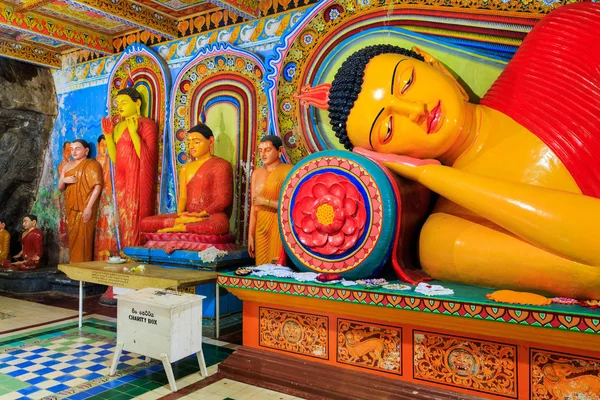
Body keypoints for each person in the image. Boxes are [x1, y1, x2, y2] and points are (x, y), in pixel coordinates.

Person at [300, 2, 600, 300]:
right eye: (388, 130)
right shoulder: (443, 238)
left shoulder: (563, 37)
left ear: (434, 64)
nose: (415, 110)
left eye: (407, 82)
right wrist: (432, 175)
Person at [140, 123, 233, 236]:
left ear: (211, 141)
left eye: (196, 142)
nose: (191, 146)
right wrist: (180, 215)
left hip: (211, 216)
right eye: (189, 142)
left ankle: (181, 228)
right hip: (188, 216)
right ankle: (182, 224)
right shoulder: (186, 168)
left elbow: (223, 200)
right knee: (145, 223)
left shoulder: (221, 165)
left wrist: (202, 214)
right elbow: (183, 197)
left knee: (218, 226)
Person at [101, 87, 159, 247]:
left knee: (135, 213)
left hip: (137, 176)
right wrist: (108, 136)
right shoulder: (118, 127)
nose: (120, 106)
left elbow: (147, 156)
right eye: (118, 103)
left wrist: (134, 133)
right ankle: (126, 249)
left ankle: (136, 250)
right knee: (124, 215)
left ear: (137, 103)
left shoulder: (147, 124)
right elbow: (116, 159)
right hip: (122, 176)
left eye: (124, 102)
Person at [248, 135, 292, 265]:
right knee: (261, 266)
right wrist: (250, 234)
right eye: (260, 150)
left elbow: (290, 205)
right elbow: (254, 206)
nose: (263, 154)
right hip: (261, 225)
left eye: (268, 149)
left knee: (276, 266)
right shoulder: (256, 173)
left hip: (278, 225)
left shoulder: (288, 171)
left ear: (280, 151)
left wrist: (266, 202)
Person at [58, 139, 103, 263]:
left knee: (83, 238)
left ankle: (82, 268)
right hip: (71, 206)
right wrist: (64, 180)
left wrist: (89, 207)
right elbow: (60, 188)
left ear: (86, 150)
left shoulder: (92, 164)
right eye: (72, 149)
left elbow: (97, 186)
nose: (74, 152)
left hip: (85, 206)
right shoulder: (67, 166)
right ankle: (74, 266)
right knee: (73, 238)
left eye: (77, 148)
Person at [94, 134, 117, 260]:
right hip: (96, 199)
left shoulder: (112, 162)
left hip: (109, 199)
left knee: (109, 226)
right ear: (98, 146)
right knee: (97, 227)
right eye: (103, 145)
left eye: (107, 146)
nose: (105, 148)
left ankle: (111, 255)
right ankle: (97, 256)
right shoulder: (92, 163)